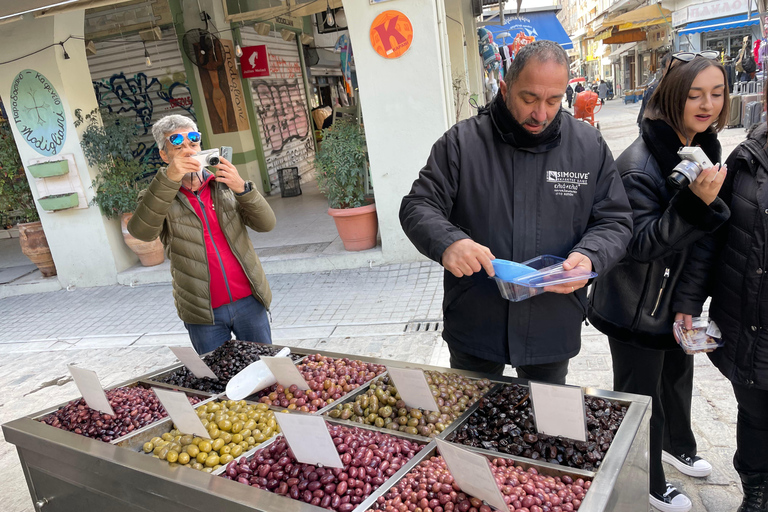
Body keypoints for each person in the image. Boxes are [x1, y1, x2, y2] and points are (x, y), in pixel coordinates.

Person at [400, 40, 633, 384]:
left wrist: (591, 255)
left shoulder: (587, 146)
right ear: (505, 88)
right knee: (471, 423)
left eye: (553, 100)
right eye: (529, 99)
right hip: (476, 317)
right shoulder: (462, 143)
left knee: (545, 428)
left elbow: (615, 220)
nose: (541, 113)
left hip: (552, 320)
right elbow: (417, 205)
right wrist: (448, 242)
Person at [588, 52, 730, 512]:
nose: (707, 104)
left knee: (677, 377)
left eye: (717, 92)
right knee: (639, 396)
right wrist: (693, 203)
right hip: (634, 304)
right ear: (673, 97)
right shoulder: (640, 164)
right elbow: (641, 245)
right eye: (694, 95)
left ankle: (677, 444)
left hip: (671, 297)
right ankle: (645, 477)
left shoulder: (702, 147)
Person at [674, 89, 768, 512]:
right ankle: (756, 492)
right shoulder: (746, 159)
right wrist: (688, 302)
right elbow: (712, 240)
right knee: (755, 414)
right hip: (748, 321)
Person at [127, 115, 276, 355]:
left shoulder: (225, 184)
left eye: (193, 143)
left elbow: (267, 224)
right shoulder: (156, 195)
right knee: (218, 382)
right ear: (164, 155)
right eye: (178, 146)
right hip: (203, 312)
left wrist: (242, 189)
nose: (188, 151)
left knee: (266, 371)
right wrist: (169, 180)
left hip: (250, 301)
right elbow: (142, 232)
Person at [638, 53, 672, 129]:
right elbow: (643, 120)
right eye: (670, 69)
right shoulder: (654, 91)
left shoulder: (684, 90)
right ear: (663, 71)